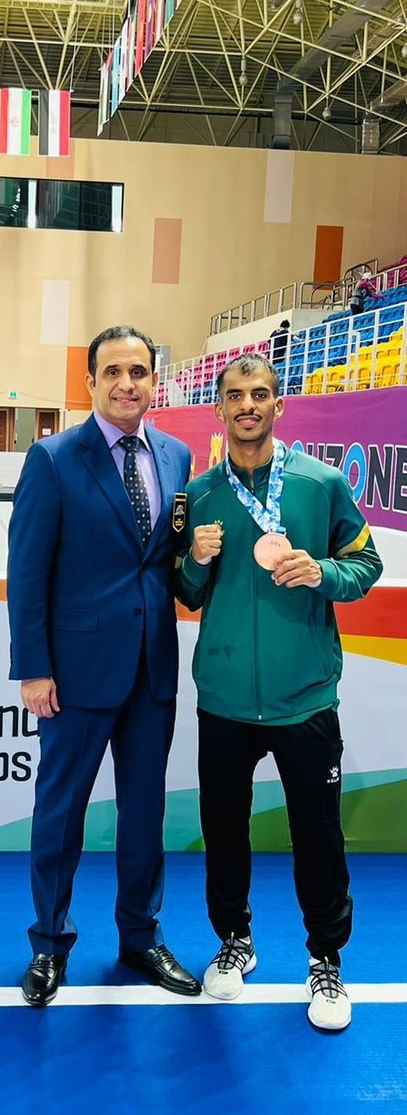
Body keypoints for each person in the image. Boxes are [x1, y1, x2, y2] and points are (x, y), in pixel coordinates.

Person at [175, 352, 382, 1031]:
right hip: (226, 699)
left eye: (260, 394)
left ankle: (326, 960)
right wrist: (194, 559)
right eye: (236, 395)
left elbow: (366, 563)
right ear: (219, 407)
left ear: (278, 404)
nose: (248, 406)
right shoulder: (200, 494)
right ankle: (235, 941)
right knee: (223, 830)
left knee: (317, 835)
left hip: (305, 699)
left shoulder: (321, 484)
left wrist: (321, 572)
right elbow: (188, 592)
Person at [7, 325, 200, 1007]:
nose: (126, 384)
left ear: (154, 382)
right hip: (76, 673)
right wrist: (34, 667)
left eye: (138, 372)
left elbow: (167, 560)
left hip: (152, 669)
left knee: (145, 815)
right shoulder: (53, 458)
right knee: (61, 815)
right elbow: (27, 572)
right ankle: (49, 944)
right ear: (90, 382)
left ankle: (141, 937)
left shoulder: (177, 456)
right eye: (113, 372)